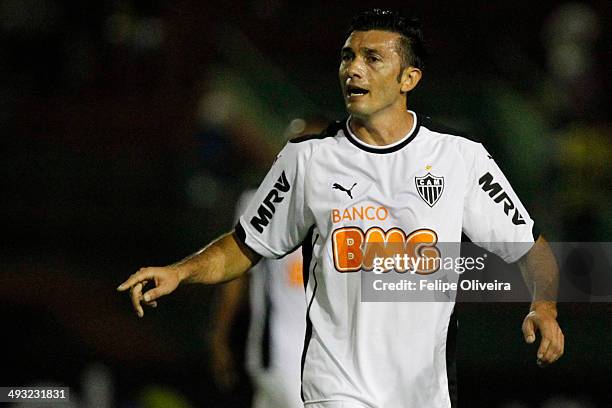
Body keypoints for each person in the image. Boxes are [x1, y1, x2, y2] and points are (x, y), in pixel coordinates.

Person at [118, 9, 564, 407]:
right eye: (347, 56)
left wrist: (543, 307)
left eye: (372, 58)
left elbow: (530, 247)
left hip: (423, 394)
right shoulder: (307, 159)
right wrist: (181, 271)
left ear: (409, 78)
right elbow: (245, 244)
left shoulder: (460, 158)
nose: (353, 69)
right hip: (335, 389)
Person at [210, 190, 305, 408]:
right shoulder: (260, 198)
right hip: (278, 351)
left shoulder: (352, 199)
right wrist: (220, 336)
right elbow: (236, 274)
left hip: (328, 355)